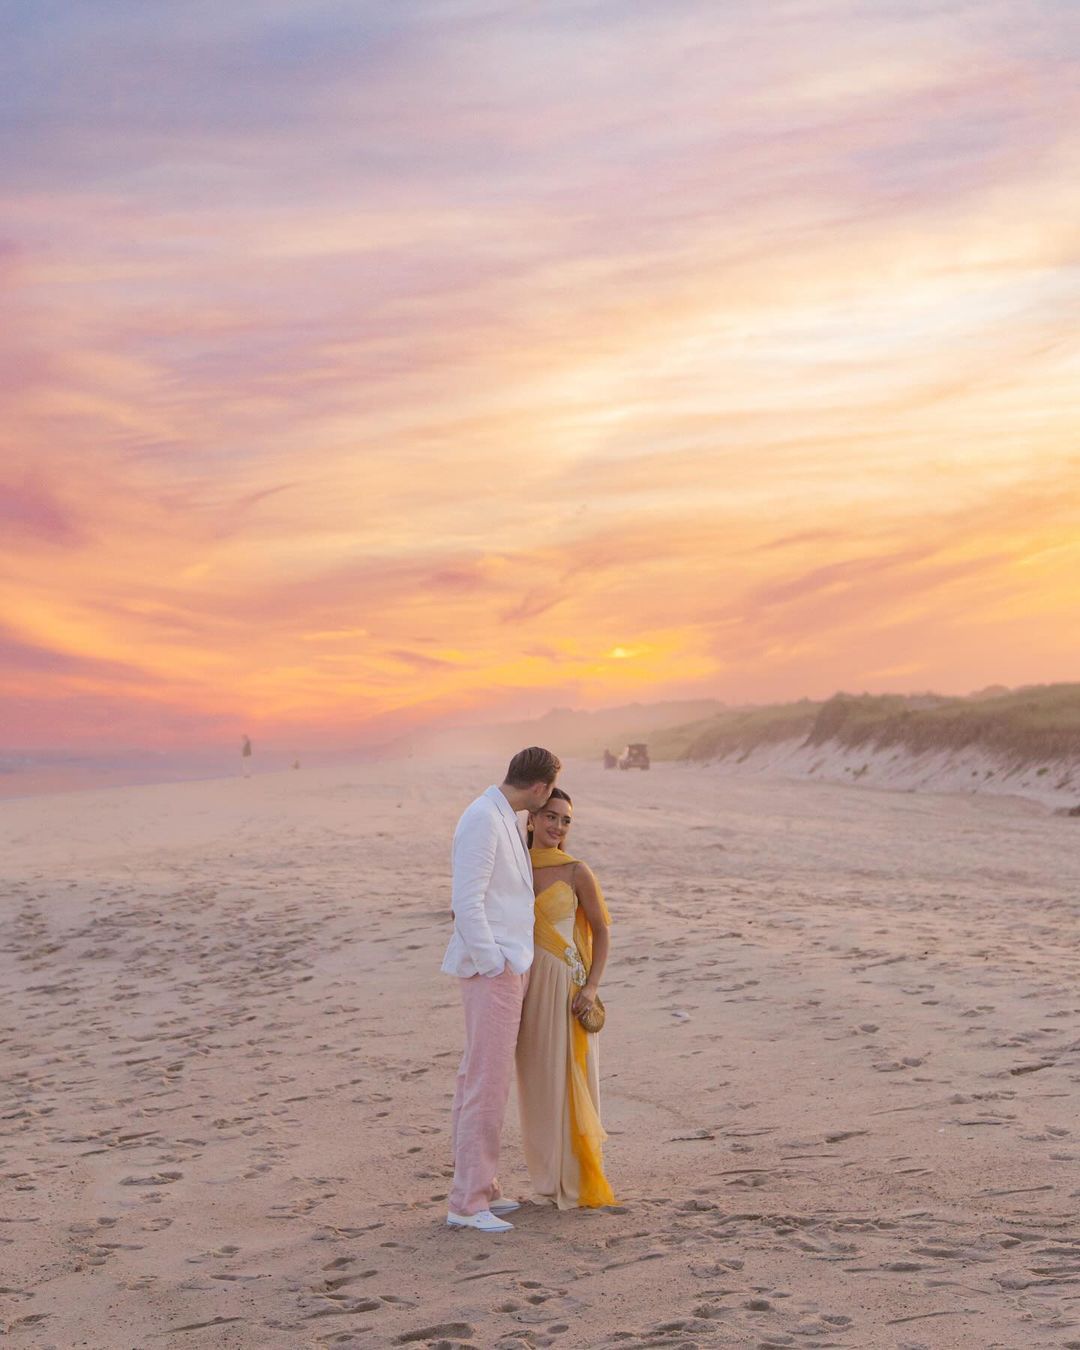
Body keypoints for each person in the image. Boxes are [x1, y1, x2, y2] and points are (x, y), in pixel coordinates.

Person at [441, 746, 561, 1232]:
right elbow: (465, 902)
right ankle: (467, 1203)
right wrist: (496, 963)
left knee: (480, 1080)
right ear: (541, 788)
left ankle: (482, 1185)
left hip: (508, 964)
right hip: (493, 970)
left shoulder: (503, 816)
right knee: (486, 1085)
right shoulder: (482, 819)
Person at [516, 787, 615, 1209]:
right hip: (525, 985)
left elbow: (603, 930)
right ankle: (545, 1179)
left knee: (570, 1077)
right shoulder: (514, 866)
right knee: (537, 1081)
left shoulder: (576, 871)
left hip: (568, 986)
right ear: (531, 819)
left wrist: (591, 988)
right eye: (550, 816)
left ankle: (573, 1178)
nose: (558, 826)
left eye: (566, 820)